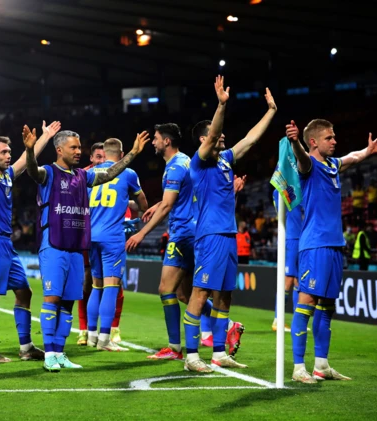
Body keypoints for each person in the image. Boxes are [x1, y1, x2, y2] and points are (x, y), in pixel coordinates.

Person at [25, 128, 150, 371]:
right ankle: (50, 353)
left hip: (75, 247)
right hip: (53, 245)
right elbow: (32, 170)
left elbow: (111, 172)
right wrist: (30, 150)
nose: (78, 151)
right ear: (59, 149)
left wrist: (133, 153)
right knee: (52, 299)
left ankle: (60, 353)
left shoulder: (83, 176)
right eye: (73, 147)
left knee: (70, 301)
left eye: (79, 147)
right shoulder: (49, 173)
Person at [183, 76, 277, 372]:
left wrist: (271, 111)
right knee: (200, 293)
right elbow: (213, 136)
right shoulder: (199, 162)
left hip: (228, 234)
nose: (222, 137)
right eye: (215, 135)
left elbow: (250, 139)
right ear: (203, 139)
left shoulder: (224, 160)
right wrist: (222, 105)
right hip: (209, 235)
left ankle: (220, 352)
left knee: (225, 294)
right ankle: (191, 356)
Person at [287, 118, 377, 383]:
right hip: (315, 245)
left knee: (327, 306)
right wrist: (295, 142)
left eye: (334, 137)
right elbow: (301, 158)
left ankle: (321, 365)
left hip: (334, 246)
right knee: (306, 304)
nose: (334, 141)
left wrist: (366, 152)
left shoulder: (332, 164)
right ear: (314, 142)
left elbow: (351, 158)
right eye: (329, 138)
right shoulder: (308, 165)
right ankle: (298, 368)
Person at [0, 116, 60, 363]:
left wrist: (45, 137)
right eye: (3, 152)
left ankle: (26, 347)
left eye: (9, 151)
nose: (8, 155)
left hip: (5, 243)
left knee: (24, 292)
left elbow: (25, 159)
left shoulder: (7, 175)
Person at [126, 122, 195, 361]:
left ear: (166, 141)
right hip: (193, 231)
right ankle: (228, 326)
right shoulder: (185, 160)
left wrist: (141, 233)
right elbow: (177, 196)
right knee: (185, 296)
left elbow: (168, 205)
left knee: (166, 290)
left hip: (183, 233)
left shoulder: (175, 166)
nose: (153, 142)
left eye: (156, 138)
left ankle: (174, 348)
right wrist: (156, 205)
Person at [86, 138, 148, 351]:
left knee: (96, 286)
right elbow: (143, 204)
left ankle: (91, 336)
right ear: (121, 155)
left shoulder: (92, 173)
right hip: (113, 237)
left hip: (91, 236)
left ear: (104, 153)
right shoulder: (128, 173)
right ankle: (105, 340)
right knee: (111, 288)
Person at [77, 143, 104, 345]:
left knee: (113, 284)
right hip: (85, 236)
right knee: (87, 283)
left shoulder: (115, 175)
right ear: (92, 159)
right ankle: (83, 329)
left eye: (105, 157)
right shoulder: (84, 176)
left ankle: (112, 328)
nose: (102, 161)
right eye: (98, 157)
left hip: (107, 236)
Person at [271, 192, 303, 332]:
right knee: (288, 279)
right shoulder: (283, 190)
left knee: (297, 280)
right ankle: (278, 320)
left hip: (297, 236)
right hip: (291, 236)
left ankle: (297, 322)